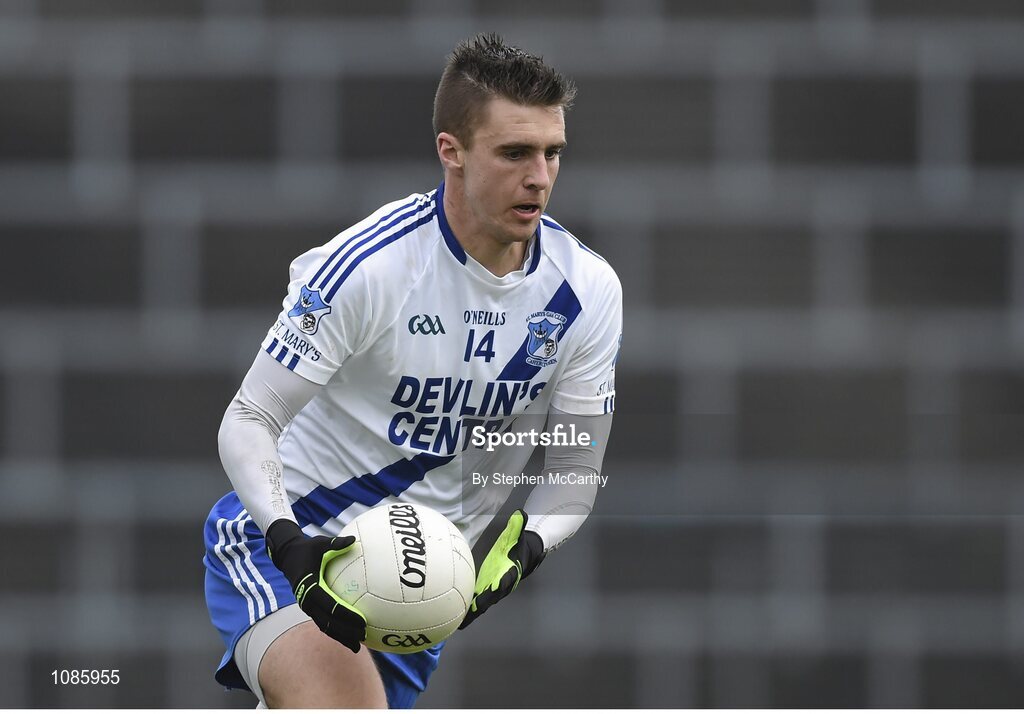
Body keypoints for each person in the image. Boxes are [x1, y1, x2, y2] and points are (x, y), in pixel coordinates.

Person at [202, 32, 622, 708]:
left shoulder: (587, 292)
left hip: (421, 584)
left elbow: (573, 475)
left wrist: (526, 549)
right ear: (450, 152)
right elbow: (248, 419)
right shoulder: (369, 268)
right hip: (294, 545)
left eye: (552, 153)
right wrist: (288, 545)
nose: (540, 176)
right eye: (514, 152)